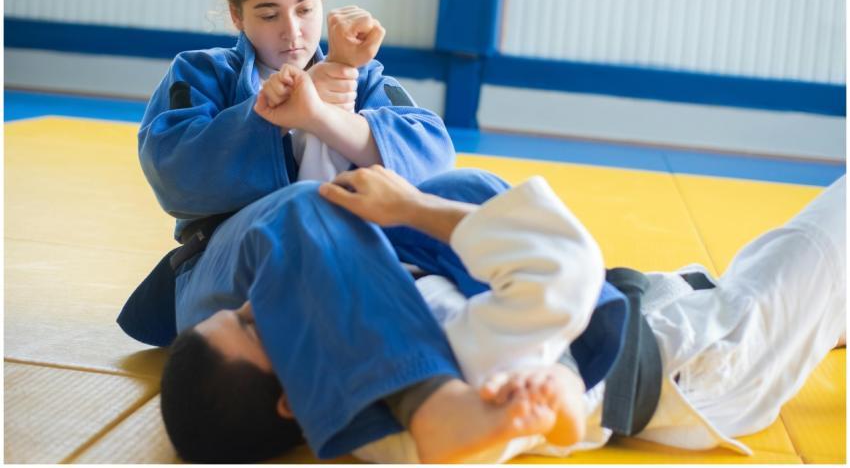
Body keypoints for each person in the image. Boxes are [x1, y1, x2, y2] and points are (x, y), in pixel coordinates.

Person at [158, 160, 845, 463]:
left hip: (665, 314)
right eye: (251, 324)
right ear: (290, 404)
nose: (255, 298)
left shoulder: (361, 348)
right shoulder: (438, 383)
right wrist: (414, 210)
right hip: (702, 357)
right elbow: (564, 270)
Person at [137, 0, 455, 247]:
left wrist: (318, 114)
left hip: (357, 249)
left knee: (475, 187)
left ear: (322, 2)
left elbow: (434, 165)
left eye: (305, 9)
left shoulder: (359, 79)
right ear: (237, 16)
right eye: (269, 15)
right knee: (306, 206)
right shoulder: (202, 72)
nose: (293, 32)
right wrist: (274, 115)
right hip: (243, 255)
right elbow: (175, 176)